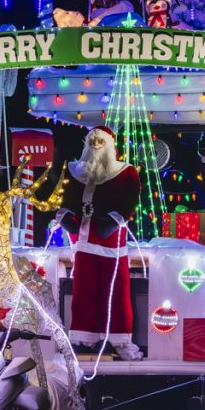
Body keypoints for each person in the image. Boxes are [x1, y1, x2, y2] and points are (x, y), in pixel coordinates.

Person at [55, 126, 142, 360]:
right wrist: (66, 218)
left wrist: (114, 220)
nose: (95, 146)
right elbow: (64, 199)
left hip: (111, 244)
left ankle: (117, 339)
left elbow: (129, 200)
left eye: (100, 142)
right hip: (83, 243)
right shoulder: (74, 170)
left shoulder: (125, 172)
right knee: (84, 293)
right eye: (91, 142)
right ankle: (85, 339)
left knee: (116, 293)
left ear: (110, 145)